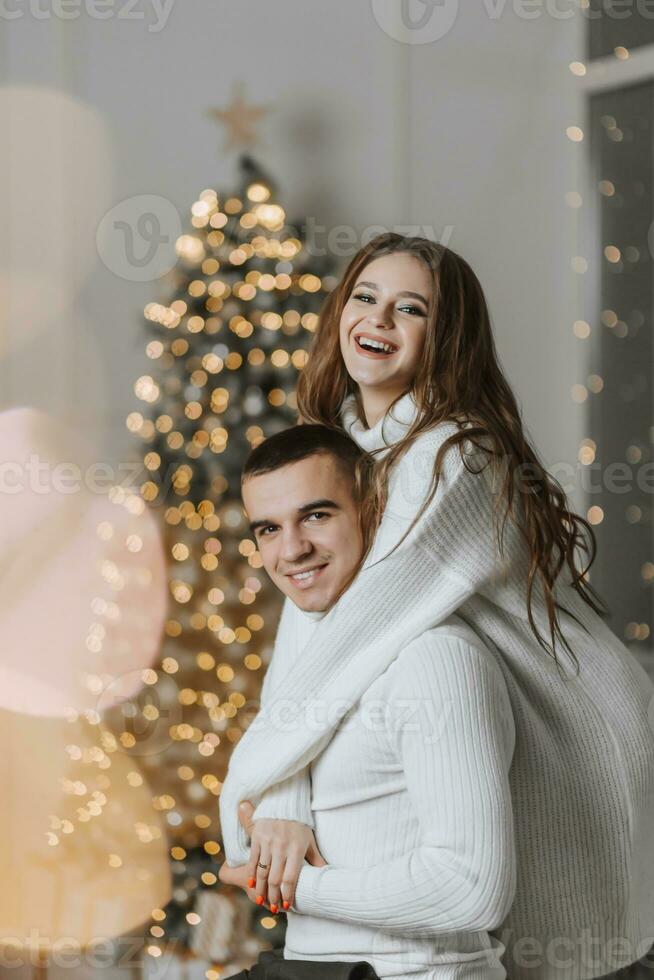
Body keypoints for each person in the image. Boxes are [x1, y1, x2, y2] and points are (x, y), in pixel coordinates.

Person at [219, 233, 654, 980]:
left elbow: (356, 622)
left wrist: (253, 784)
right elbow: (315, 614)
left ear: (443, 338)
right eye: (365, 296)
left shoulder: (456, 454)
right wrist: (283, 797)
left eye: (409, 308)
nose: (378, 317)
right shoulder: (352, 450)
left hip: (567, 721)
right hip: (485, 708)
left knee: (566, 949)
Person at [220, 423, 516, 980]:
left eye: (316, 515)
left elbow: (472, 890)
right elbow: (241, 829)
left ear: (372, 510)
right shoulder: (314, 655)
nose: (292, 550)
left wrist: (300, 887)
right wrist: (284, 804)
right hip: (311, 969)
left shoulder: (435, 660)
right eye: (268, 529)